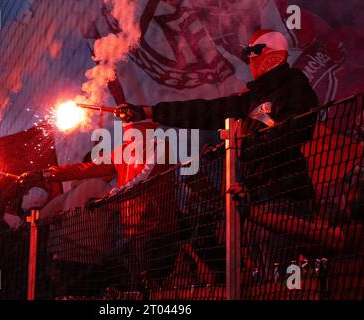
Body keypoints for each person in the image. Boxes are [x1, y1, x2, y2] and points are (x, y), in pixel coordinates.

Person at [115, 29, 320, 280]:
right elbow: (205, 111)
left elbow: (297, 130)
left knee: (288, 282)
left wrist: (245, 144)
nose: (249, 61)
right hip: (256, 201)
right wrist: (149, 112)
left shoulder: (294, 88)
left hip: (286, 198)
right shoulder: (251, 99)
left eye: (252, 53)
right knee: (266, 279)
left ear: (268, 55)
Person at [18, 120, 180, 291]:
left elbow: (145, 177)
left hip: (152, 232)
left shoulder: (159, 147)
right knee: (150, 288)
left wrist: (45, 174)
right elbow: (87, 170)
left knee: (147, 287)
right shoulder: (120, 156)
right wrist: (46, 174)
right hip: (135, 236)